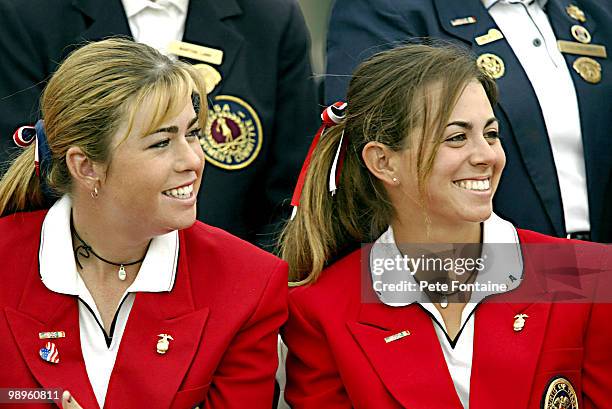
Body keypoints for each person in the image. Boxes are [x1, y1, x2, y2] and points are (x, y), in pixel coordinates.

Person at [280, 44, 612, 408]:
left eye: (491, 133)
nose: (486, 155)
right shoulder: (320, 310)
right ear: (383, 162)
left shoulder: (588, 274)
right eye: (456, 137)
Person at [0, 38, 287, 409]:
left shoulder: (249, 283)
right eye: (161, 143)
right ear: (85, 166)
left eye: (193, 134)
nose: (193, 161)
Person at [0, 0, 320, 248]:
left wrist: (244, 288)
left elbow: (293, 194)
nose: (192, 160)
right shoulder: (29, 14)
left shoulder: (270, 18)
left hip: (228, 289)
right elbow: (21, 170)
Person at [324, 0, 612, 243]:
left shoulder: (594, 9)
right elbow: (367, 166)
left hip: (596, 265)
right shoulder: (387, 9)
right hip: (470, 274)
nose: (486, 152)